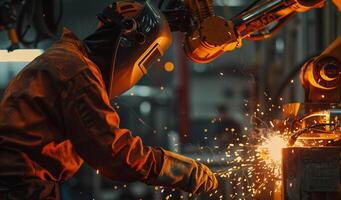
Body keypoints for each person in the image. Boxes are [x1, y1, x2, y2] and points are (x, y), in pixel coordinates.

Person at [0, 1, 218, 199]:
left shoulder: (65, 58)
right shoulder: (77, 72)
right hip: (20, 190)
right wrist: (180, 169)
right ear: (130, 44)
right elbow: (113, 153)